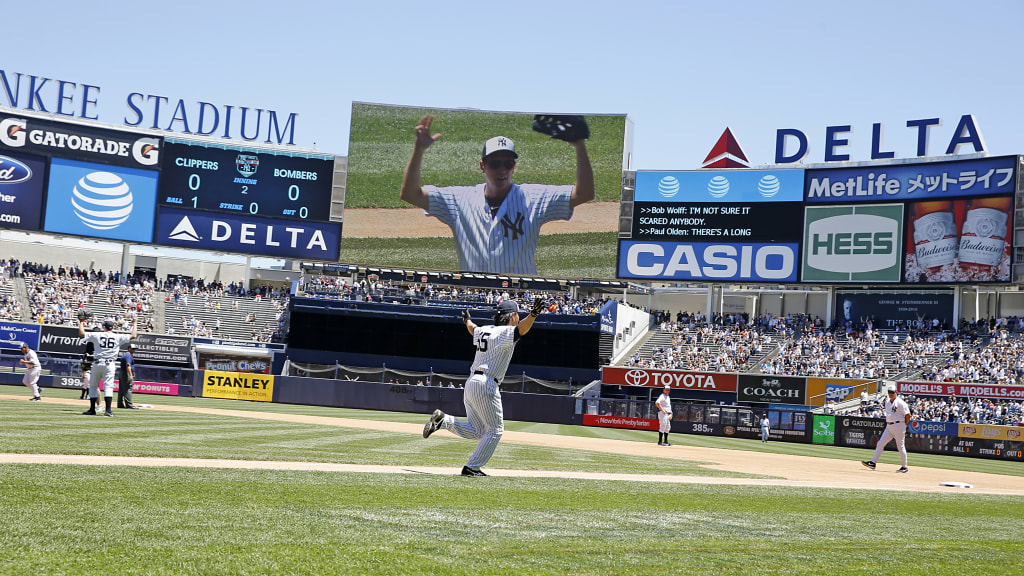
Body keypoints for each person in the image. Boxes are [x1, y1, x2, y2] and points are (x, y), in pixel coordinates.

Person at [400, 115, 594, 275]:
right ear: (482, 166)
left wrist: (579, 145)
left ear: (514, 167)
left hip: (521, 297)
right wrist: (419, 150)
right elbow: (410, 195)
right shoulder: (459, 200)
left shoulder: (533, 198)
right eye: (495, 164)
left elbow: (584, 194)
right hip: (477, 298)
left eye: (508, 164)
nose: (502, 170)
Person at [422, 297, 545, 476]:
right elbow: (522, 330)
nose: (518, 318)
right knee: (495, 430)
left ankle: (444, 420)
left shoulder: (485, 329)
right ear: (512, 316)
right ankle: (472, 467)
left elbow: (472, 329)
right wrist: (533, 314)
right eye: (517, 314)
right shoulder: (506, 331)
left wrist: (467, 320)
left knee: (479, 430)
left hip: (472, 382)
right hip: (486, 383)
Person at [79, 315, 137, 417]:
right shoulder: (117, 336)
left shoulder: (97, 335)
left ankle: (92, 409)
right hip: (110, 363)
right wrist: (135, 322)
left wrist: (81, 322)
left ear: (104, 327)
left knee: (93, 386)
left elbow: (82, 333)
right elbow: (133, 335)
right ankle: (108, 411)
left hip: (97, 363)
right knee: (108, 387)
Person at [862, 383, 911, 473]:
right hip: (889, 426)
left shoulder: (900, 402)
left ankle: (904, 467)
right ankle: (873, 463)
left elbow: (908, 415)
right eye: (889, 392)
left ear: (896, 392)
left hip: (899, 425)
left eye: (892, 392)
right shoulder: (887, 402)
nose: (891, 394)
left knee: (900, 446)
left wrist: (904, 425)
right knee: (880, 443)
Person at [118, 343, 137, 410]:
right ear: (129, 349)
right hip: (126, 373)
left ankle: (120, 404)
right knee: (128, 388)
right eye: (132, 349)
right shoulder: (128, 355)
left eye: (134, 349)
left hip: (122, 372)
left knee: (121, 389)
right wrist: (131, 375)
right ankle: (129, 405)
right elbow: (128, 365)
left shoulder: (125, 355)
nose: (134, 350)